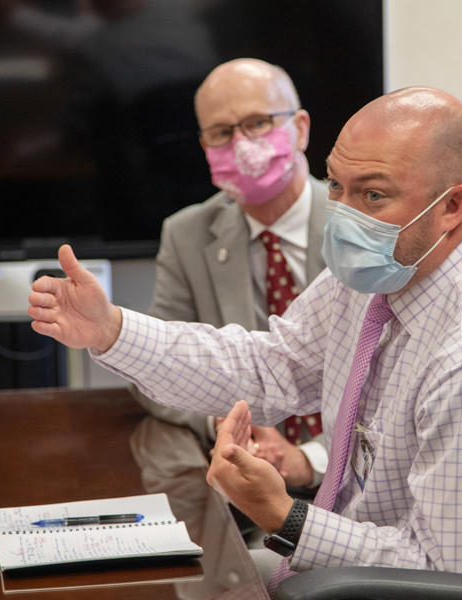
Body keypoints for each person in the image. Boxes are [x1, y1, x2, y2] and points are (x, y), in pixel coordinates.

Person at [28, 86, 462, 600]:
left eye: (373, 196)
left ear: (454, 205)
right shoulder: (390, 266)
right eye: (336, 186)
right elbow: (270, 366)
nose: (344, 216)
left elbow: (453, 584)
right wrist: (113, 330)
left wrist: (282, 515)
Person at [131, 58, 329, 493]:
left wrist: (308, 460)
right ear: (205, 146)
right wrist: (221, 417)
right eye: (222, 133)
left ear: (300, 128)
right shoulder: (187, 234)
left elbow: (394, 384)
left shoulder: (359, 226)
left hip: (358, 484)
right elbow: (151, 368)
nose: (241, 144)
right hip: (244, 484)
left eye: (257, 123)